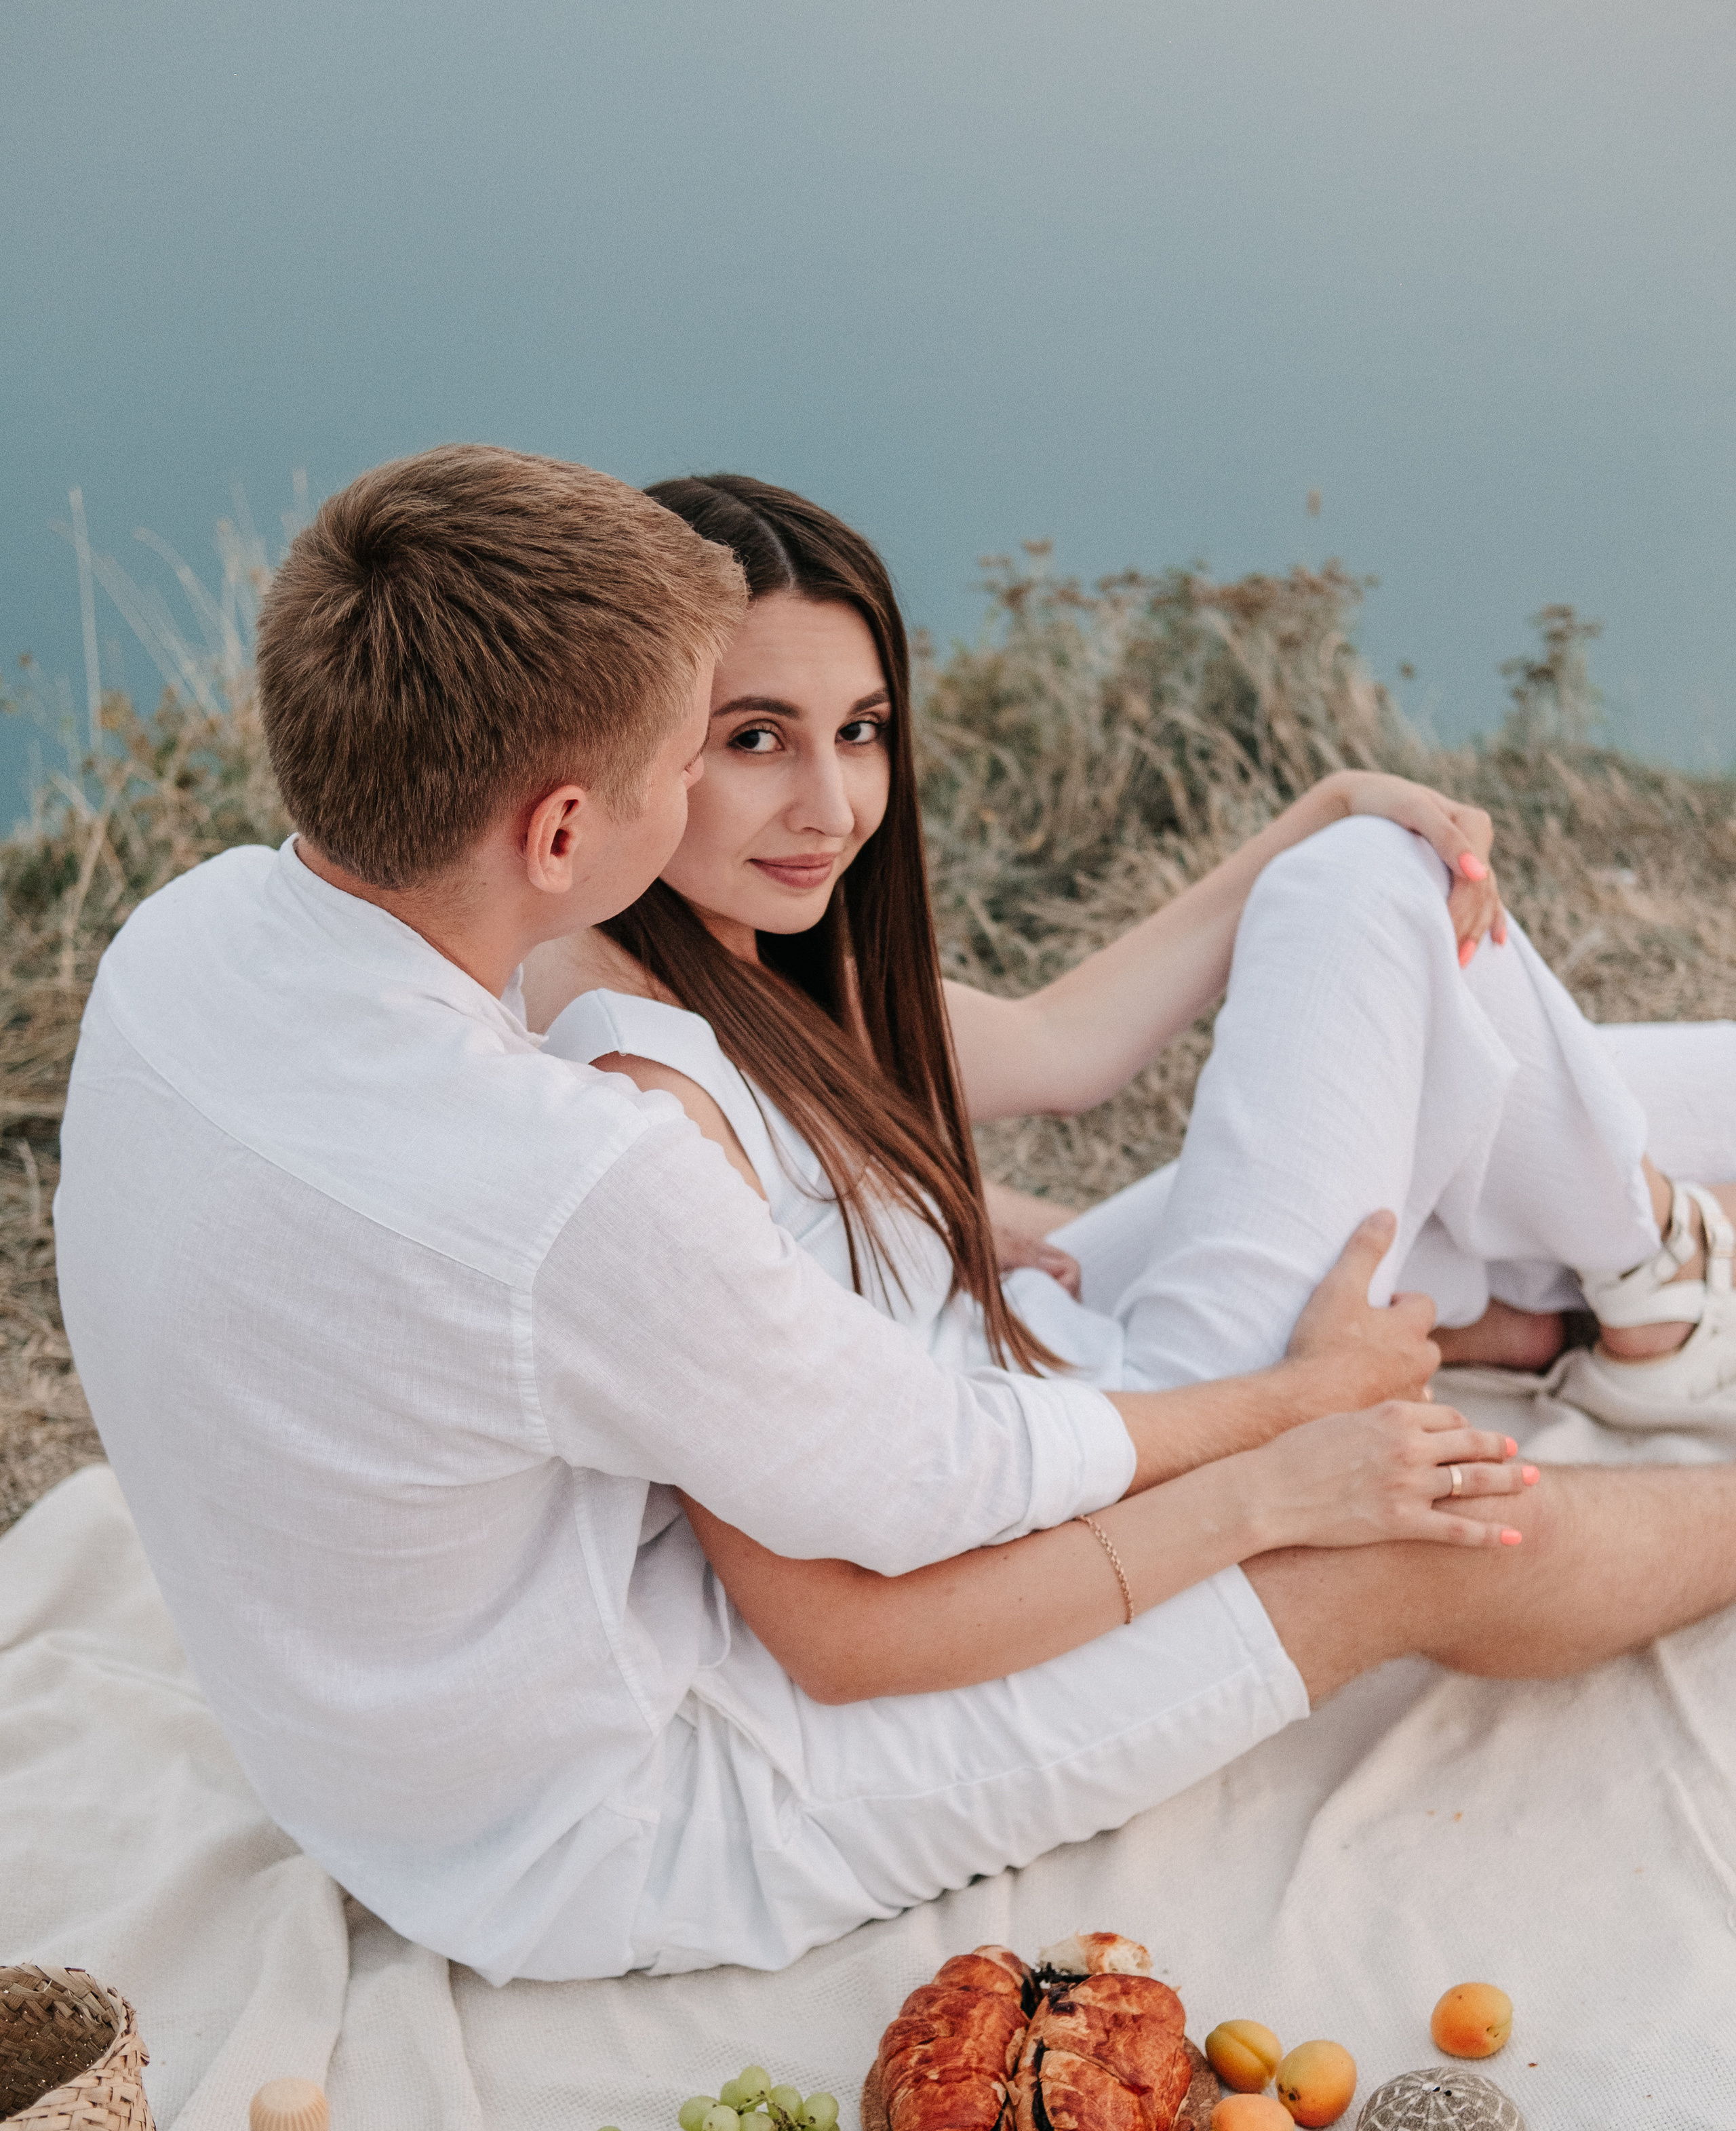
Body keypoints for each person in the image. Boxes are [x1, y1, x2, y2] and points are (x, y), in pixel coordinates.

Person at [54, 445, 1736, 1987]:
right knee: (1390, 1539)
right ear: (568, 828)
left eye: (848, 730)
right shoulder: (590, 1161)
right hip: (642, 1813)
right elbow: (883, 1568)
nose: (817, 801)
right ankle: (1636, 1304)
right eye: (698, 747)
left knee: (1415, 1051)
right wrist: (1291, 1440)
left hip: (428, 1736)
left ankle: (1616, 1277)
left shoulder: (191, 943)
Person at [524, 473, 1736, 1423]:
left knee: (1458, 1041)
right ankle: (1660, 1293)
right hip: (1121, 1413)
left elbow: (1063, 1047)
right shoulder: (609, 1038)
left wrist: (1319, 804)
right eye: (754, 740)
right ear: (634, 730)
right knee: (1370, 885)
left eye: (859, 729)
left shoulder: (718, 969)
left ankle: (1592, 1283)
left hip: (1038, 1346)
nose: (834, 806)